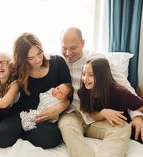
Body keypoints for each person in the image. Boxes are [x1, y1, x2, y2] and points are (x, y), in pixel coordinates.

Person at [58, 27, 143, 157]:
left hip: (97, 117)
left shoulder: (97, 60)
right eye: (64, 48)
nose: (68, 53)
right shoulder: (58, 61)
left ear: (83, 43)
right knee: (67, 128)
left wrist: (137, 116)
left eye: (73, 48)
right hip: (73, 114)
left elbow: (124, 86)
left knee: (123, 128)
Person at [0, 32, 72, 149]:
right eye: (30, 58)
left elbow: (69, 94)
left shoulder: (58, 63)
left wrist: (58, 108)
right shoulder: (17, 70)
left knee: (51, 138)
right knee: (1, 137)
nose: (37, 60)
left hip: (43, 115)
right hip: (20, 113)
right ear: (22, 59)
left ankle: (20, 132)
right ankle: (14, 130)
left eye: (39, 53)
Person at [79, 58, 143, 127]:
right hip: (109, 127)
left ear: (102, 77)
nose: (85, 79)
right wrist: (103, 113)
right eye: (84, 74)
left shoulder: (120, 92)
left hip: (128, 125)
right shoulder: (83, 92)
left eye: (91, 75)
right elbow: (93, 115)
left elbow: (141, 106)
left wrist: (137, 118)